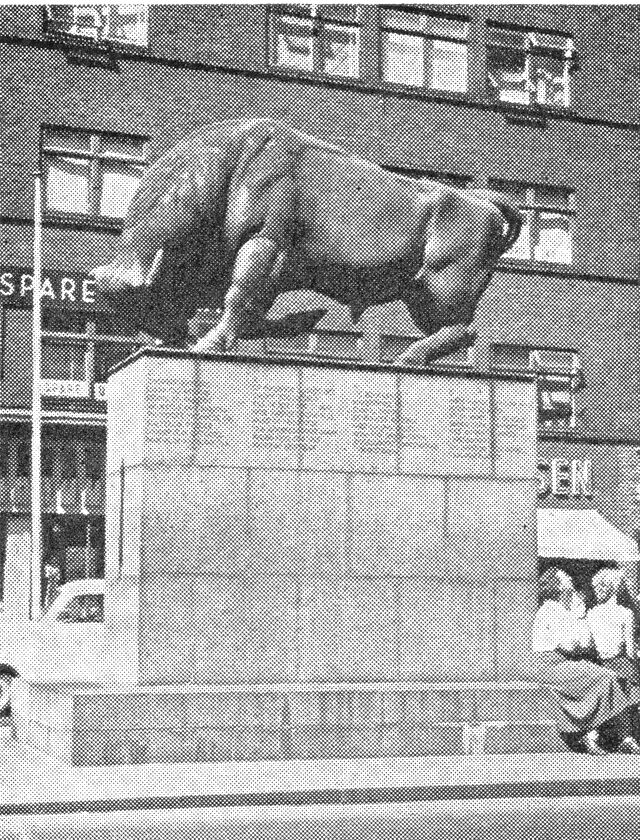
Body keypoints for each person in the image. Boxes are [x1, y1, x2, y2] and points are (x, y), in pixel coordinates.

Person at [532, 567, 640, 755]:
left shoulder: (558, 609)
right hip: (552, 666)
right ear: (558, 587)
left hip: (560, 664)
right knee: (603, 676)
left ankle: (608, 735)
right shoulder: (552, 609)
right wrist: (579, 620)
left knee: (602, 675)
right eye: (567, 581)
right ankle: (590, 734)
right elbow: (572, 644)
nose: (572, 585)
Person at [587, 568, 640, 688]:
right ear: (616, 588)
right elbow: (630, 651)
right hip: (621, 668)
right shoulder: (626, 613)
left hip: (598, 668)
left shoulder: (591, 613)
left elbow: (590, 645)